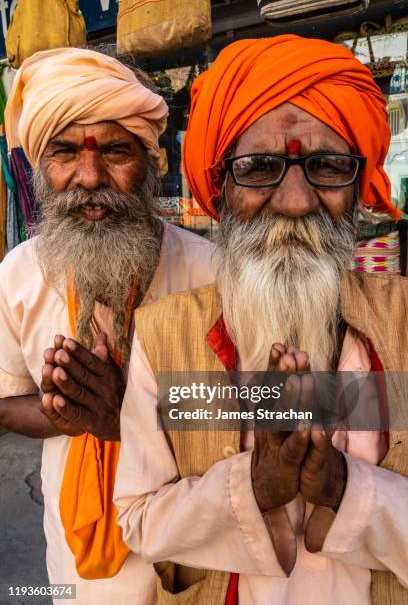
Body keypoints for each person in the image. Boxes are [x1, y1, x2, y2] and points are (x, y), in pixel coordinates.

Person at [114, 35, 408, 604]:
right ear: (218, 187)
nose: (295, 200)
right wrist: (253, 487)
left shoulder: (404, 325)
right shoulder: (165, 336)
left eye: (325, 166)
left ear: (358, 185)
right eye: (259, 167)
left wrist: (349, 491)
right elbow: (139, 519)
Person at [0, 47, 215, 604]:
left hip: (196, 560)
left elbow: (258, 414)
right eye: (65, 152)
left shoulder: (211, 272)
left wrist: (134, 413)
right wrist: (63, 413)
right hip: (73, 562)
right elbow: (6, 400)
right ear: (40, 169)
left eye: (116, 151)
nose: (89, 176)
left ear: (150, 161)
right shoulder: (20, 273)